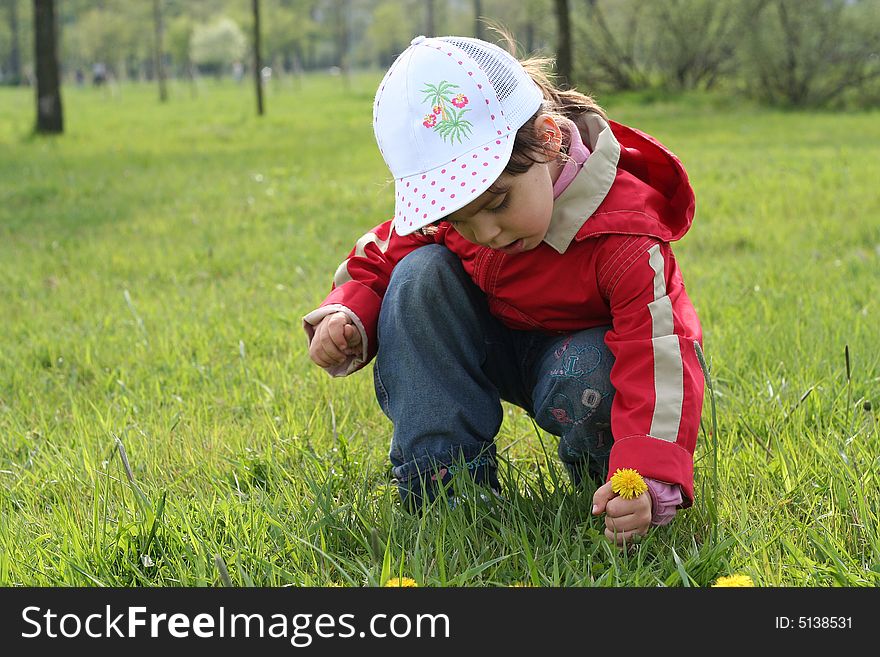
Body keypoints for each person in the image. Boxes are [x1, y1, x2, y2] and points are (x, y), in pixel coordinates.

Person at [304, 35, 705, 546]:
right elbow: (391, 247)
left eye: (498, 204)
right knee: (419, 276)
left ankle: (610, 488)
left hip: (582, 363)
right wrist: (348, 312)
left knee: (595, 369)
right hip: (498, 339)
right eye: (459, 219)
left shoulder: (622, 236)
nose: (486, 232)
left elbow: (657, 355)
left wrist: (648, 473)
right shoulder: (472, 211)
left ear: (547, 140)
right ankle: (445, 485)